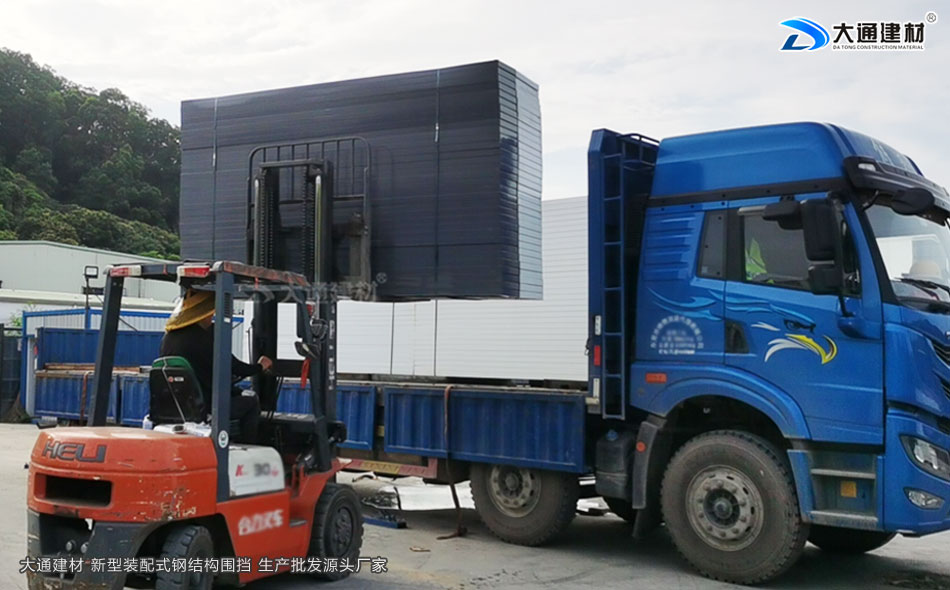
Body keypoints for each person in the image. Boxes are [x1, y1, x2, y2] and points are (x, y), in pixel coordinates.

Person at [159, 289, 273, 442]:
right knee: (251, 402)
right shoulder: (204, 339)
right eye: (211, 313)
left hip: (175, 407)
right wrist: (260, 366)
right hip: (205, 407)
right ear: (204, 314)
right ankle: (248, 446)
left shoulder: (168, 339)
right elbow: (236, 367)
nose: (212, 317)